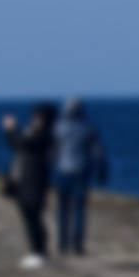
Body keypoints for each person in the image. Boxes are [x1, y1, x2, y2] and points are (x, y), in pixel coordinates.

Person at [3, 103, 58, 269]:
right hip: (26, 181)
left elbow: (23, 144)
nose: (35, 119)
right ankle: (36, 252)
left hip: (35, 182)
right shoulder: (35, 132)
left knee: (34, 217)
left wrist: (12, 129)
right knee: (29, 217)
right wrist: (11, 131)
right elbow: (18, 146)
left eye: (38, 117)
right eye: (34, 116)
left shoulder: (45, 135)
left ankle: (39, 253)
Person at [52, 98, 107, 255]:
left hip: (62, 170)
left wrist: (47, 169)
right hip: (82, 171)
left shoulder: (58, 128)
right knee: (79, 209)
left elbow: (53, 152)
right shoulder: (88, 128)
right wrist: (102, 170)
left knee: (63, 209)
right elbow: (98, 152)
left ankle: (62, 243)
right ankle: (77, 244)